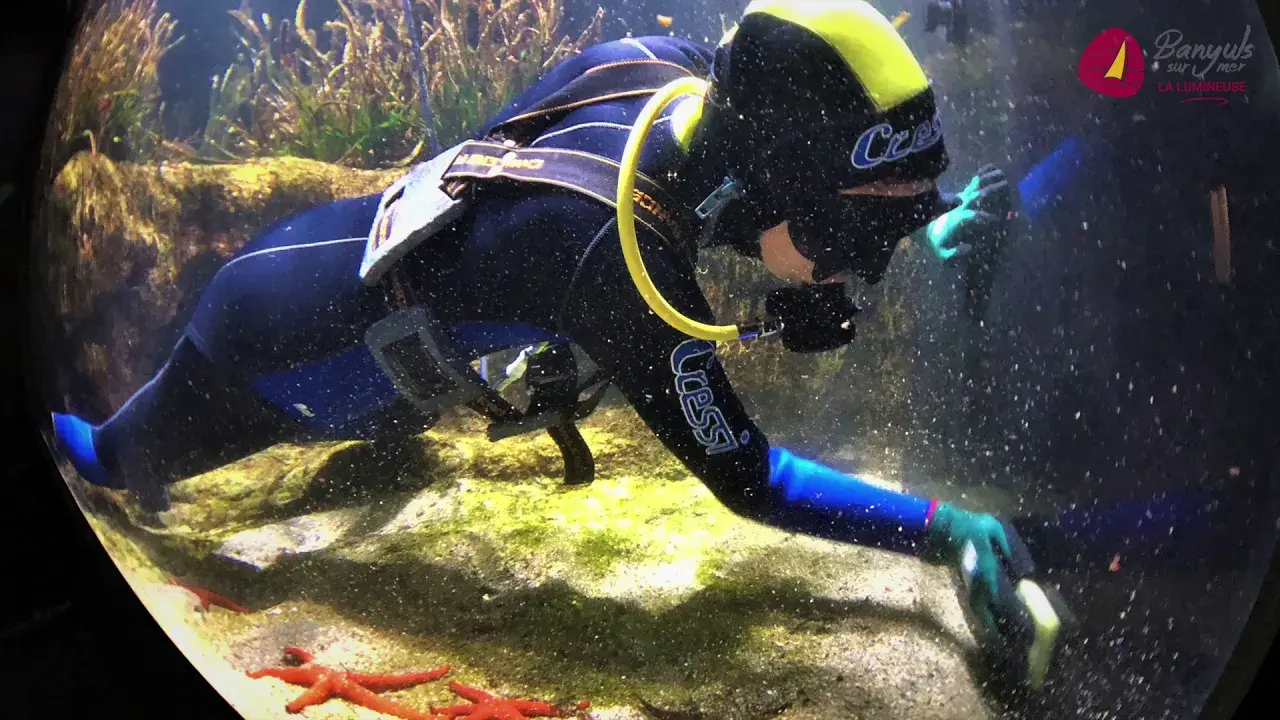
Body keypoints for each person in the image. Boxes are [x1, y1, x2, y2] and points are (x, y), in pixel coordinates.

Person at [51, 0, 1043, 671]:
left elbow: (759, 174)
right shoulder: (609, 259)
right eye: (846, 237)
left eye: (883, 234)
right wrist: (939, 529)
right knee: (109, 462)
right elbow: (752, 481)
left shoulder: (663, 80)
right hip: (274, 358)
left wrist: (926, 212)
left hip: (320, 277)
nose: (856, 274)